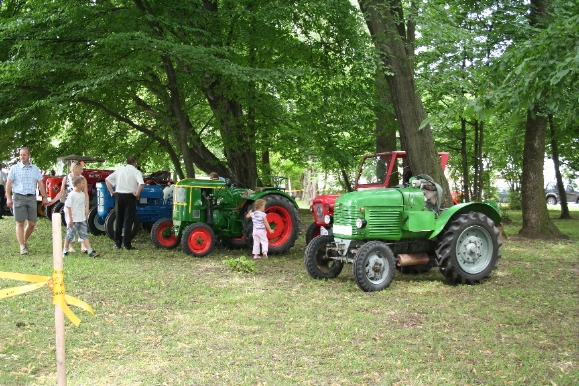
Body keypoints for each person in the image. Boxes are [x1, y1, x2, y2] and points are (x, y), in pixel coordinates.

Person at [5, 147, 49, 255]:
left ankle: (23, 241)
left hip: (31, 198)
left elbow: (41, 184)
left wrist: (44, 197)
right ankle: (22, 246)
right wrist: (9, 197)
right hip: (18, 197)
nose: (22, 157)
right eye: (20, 155)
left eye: (24, 155)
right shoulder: (14, 168)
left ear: (29, 156)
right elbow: (9, 183)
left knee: (32, 223)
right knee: (20, 222)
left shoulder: (35, 169)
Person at [105, 156, 144, 250]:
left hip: (119, 196)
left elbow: (107, 180)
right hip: (130, 196)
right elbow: (141, 183)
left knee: (119, 219)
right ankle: (127, 244)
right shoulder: (136, 171)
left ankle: (117, 243)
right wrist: (137, 194)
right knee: (128, 220)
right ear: (135, 162)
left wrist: (112, 192)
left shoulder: (119, 170)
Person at [63, 176, 99, 258]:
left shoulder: (82, 194)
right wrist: (70, 219)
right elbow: (68, 207)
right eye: (83, 183)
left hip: (81, 219)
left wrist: (85, 214)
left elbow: (83, 206)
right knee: (69, 235)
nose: (84, 185)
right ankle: (65, 250)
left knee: (84, 235)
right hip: (74, 219)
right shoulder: (72, 195)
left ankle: (90, 251)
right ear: (78, 184)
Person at [59, 161, 89, 253]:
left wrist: (87, 207)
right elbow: (62, 191)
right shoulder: (66, 178)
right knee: (70, 224)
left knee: (82, 223)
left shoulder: (83, 179)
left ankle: (83, 245)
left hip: (80, 204)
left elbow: (86, 194)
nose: (82, 171)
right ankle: (70, 246)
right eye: (80, 169)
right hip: (70, 205)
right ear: (75, 169)